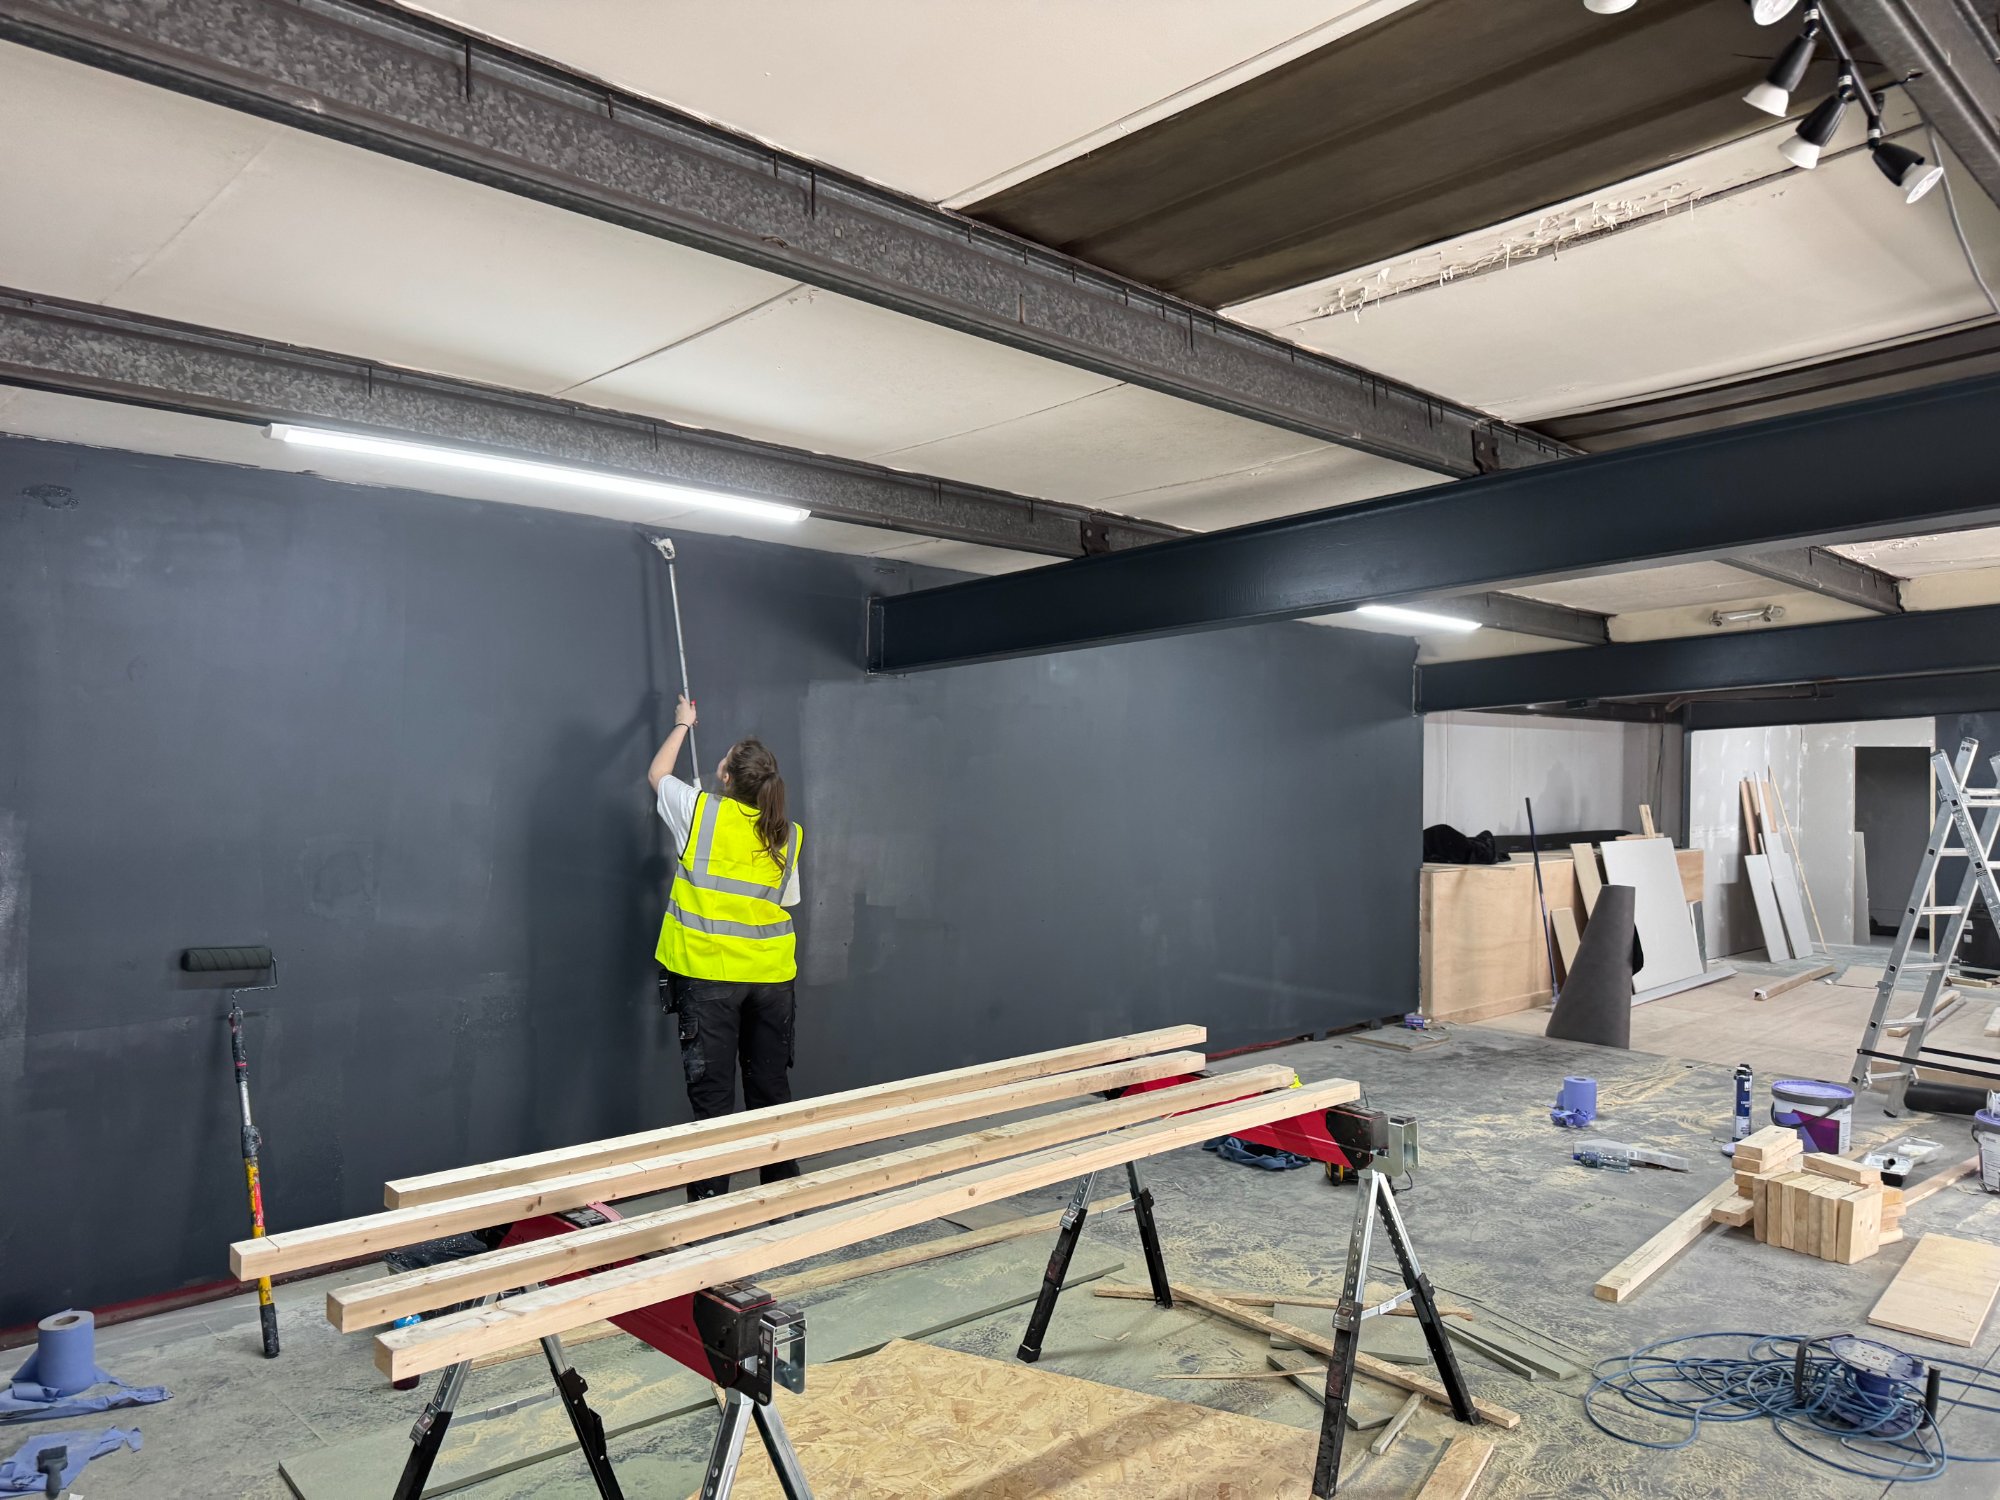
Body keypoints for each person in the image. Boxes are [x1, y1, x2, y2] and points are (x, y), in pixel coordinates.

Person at [647, 694, 804, 1200]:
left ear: (727, 776)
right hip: (772, 981)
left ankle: (710, 1209)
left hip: (711, 978)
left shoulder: (699, 811)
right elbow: (785, 900)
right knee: (770, 1092)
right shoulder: (787, 833)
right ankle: (780, 1202)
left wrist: (682, 725)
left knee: (714, 1103)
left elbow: (657, 774)